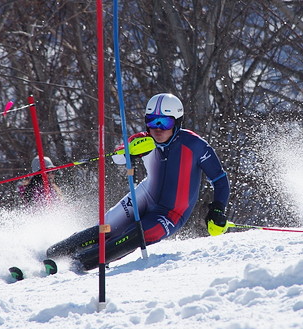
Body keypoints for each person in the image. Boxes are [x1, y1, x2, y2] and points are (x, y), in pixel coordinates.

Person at [47, 93, 230, 270]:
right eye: (152, 121)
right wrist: (128, 153)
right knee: (107, 227)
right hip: (145, 195)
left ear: (177, 123)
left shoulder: (195, 145)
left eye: (164, 122)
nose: (157, 129)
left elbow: (220, 179)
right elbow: (117, 157)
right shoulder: (144, 140)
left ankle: (76, 264)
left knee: (136, 234)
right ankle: (54, 253)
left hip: (171, 213)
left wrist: (217, 208)